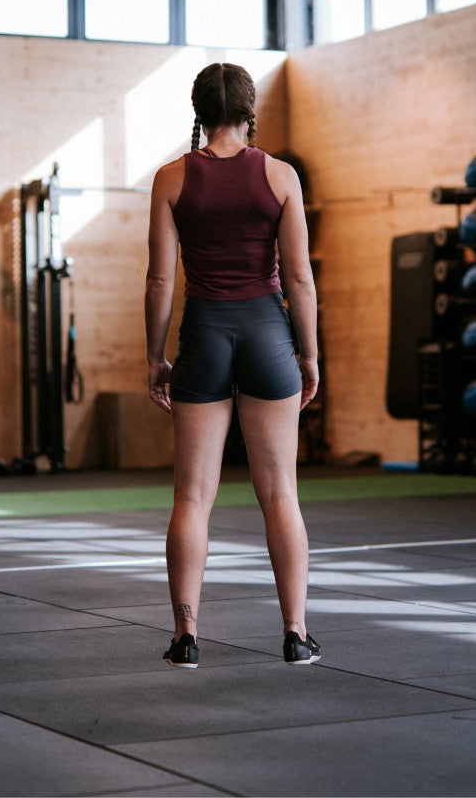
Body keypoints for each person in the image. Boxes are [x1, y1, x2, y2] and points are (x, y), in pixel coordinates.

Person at [144, 61, 320, 670]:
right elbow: (298, 274)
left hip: (205, 335)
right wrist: (309, 354)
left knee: (192, 498)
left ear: (199, 111)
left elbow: (161, 277)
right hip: (269, 335)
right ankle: (295, 634)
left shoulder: (170, 178)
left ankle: (185, 637)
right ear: (249, 112)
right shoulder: (280, 175)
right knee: (281, 496)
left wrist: (153, 355)